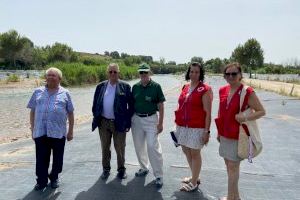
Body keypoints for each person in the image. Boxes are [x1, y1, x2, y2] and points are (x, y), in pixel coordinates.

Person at [216, 62, 266, 200]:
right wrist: (219, 132)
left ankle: (230, 197)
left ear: (240, 75)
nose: (231, 76)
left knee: (233, 167)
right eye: (227, 74)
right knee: (229, 165)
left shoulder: (247, 92)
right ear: (224, 76)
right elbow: (221, 111)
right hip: (225, 134)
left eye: (234, 74)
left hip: (238, 135)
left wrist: (244, 116)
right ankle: (235, 197)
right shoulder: (222, 90)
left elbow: (261, 111)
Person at [27, 67, 74, 190]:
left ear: (59, 78)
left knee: (58, 159)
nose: (51, 77)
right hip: (40, 131)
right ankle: (41, 181)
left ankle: (54, 178)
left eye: (54, 75)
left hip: (58, 132)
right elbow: (32, 111)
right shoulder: (37, 92)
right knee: (41, 159)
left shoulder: (66, 93)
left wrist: (70, 131)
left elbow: (70, 113)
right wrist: (32, 128)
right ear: (45, 78)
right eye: (49, 75)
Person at [174, 62, 213, 192]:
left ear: (200, 73)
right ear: (188, 72)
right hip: (183, 126)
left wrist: (207, 131)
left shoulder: (205, 89)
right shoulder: (185, 87)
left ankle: (194, 182)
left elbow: (208, 112)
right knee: (186, 150)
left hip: (197, 127)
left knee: (195, 153)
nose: (193, 74)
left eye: (196, 72)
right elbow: (181, 106)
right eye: (191, 71)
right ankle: (195, 176)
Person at [92, 63, 132, 180]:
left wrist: (127, 122)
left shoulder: (125, 86)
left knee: (120, 147)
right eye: (110, 72)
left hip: (119, 122)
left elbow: (131, 106)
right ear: (107, 73)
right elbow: (95, 104)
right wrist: (97, 117)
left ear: (119, 72)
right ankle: (106, 169)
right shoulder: (100, 86)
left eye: (115, 72)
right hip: (103, 122)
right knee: (105, 147)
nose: (113, 74)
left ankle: (121, 169)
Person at [131, 63, 165, 188]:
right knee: (139, 146)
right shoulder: (135, 87)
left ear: (149, 73)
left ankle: (159, 175)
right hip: (137, 120)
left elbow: (161, 106)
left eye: (145, 72)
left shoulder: (156, 87)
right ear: (139, 73)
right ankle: (144, 167)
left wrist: (161, 123)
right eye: (141, 72)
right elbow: (131, 104)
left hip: (151, 119)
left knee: (152, 146)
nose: (143, 75)